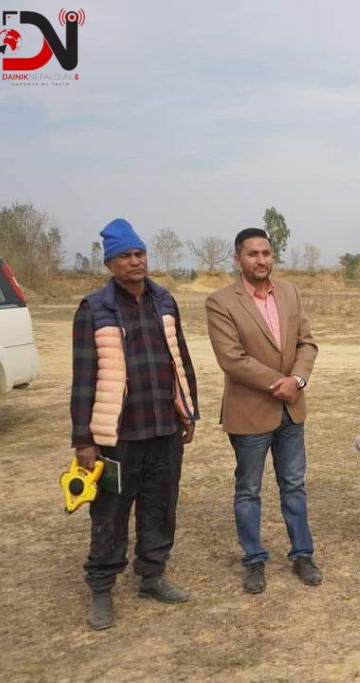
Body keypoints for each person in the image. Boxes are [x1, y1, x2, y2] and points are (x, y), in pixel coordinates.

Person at [70, 218, 198, 630]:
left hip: (164, 428)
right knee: (110, 512)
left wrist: (188, 410)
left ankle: (152, 576)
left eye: (139, 253)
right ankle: (102, 587)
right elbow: (83, 378)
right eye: (125, 256)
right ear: (109, 263)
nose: (135, 261)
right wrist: (84, 440)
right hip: (117, 437)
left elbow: (181, 359)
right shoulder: (95, 309)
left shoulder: (165, 301)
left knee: (161, 507)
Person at [205, 228, 321, 594]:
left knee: (294, 485)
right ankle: (254, 559)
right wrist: (280, 383)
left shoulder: (290, 292)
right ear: (237, 258)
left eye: (266, 253)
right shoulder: (221, 302)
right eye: (253, 254)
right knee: (249, 489)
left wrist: (297, 380)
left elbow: (307, 343)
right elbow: (232, 359)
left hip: (291, 410)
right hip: (250, 412)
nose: (261, 260)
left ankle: (302, 554)